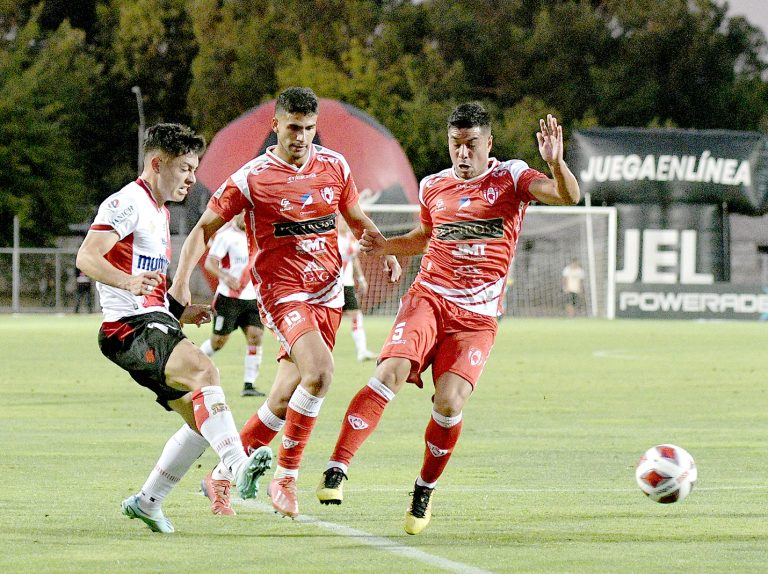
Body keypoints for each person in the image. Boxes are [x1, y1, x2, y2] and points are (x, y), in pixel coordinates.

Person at [315, 103, 580, 535]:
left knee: (449, 402)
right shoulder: (433, 186)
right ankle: (337, 467)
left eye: (471, 145)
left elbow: (568, 195)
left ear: (487, 144)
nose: (462, 153)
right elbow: (425, 237)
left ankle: (423, 489)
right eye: (455, 144)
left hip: (476, 318)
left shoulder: (511, 177)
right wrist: (387, 248)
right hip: (430, 298)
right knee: (391, 371)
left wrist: (555, 161)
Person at [169, 87, 401, 519]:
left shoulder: (335, 166)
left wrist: (384, 248)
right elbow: (203, 229)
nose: (301, 136)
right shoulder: (251, 177)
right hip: (282, 293)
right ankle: (285, 477)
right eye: (293, 127)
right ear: (275, 125)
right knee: (320, 374)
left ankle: (220, 475)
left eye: (309, 128)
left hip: (328, 293)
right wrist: (181, 281)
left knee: (281, 398)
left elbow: (355, 218)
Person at [76, 123, 273, 534]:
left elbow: (146, 285)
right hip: (127, 329)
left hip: (153, 321)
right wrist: (126, 282)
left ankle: (148, 502)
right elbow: (87, 257)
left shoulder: (160, 212)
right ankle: (236, 467)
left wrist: (181, 313)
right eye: (184, 168)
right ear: (156, 163)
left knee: (202, 423)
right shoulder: (127, 202)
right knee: (206, 371)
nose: (191, 178)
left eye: (194, 168)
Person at [199, 211, 267, 397]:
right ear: (238, 214)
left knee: (256, 336)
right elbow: (210, 264)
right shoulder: (226, 236)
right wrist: (225, 276)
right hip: (228, 298)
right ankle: (190, 364)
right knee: (218, 342)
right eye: (245, 214)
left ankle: (249, 384)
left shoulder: (259, 235)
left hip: (252, 298)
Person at [338, 217, 377, 362]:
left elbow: (354, 259)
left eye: (346, 222)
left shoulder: (351, 240)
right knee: (328, 319)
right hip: (332, 284)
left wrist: (361, 278)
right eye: (342, 221)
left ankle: (362, 351)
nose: (345, 224)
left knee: (356, 315)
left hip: (347, 284)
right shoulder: (332, 239)